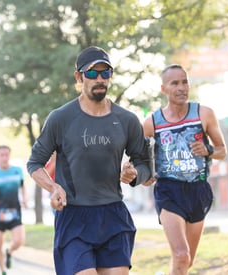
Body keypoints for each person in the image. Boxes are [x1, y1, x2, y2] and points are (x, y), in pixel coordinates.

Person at [27, 46, 151, 275]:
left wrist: (134, 175)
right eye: (92, 73)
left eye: (106, 73)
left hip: (113, 215)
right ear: (79, 76)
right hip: (74, 217)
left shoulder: (127, 120)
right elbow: (35, 163)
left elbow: (145, 167)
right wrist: (53, 187)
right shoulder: (60, 118)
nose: (100, 79)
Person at [143, 64, 227, 275]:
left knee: (186, 262)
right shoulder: (152, 122)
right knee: (181, 255)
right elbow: (138, 155)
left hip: (198, 190)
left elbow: (222, 150)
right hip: (169, 190)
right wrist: (145, 172)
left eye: (184, 82)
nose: (181, 87)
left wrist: (207, 149)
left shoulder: (204, 114)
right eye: (175, 83)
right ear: (164, 89)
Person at [0, 145, 27, 275]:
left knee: (19, 241)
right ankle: (3, 271)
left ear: (10, 156)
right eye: (2, 155)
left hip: (15, 212)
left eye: (7, 154)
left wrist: (24, 199)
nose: (4, 157)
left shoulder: (17, 170)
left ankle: (9, 251)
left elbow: (22, 187)